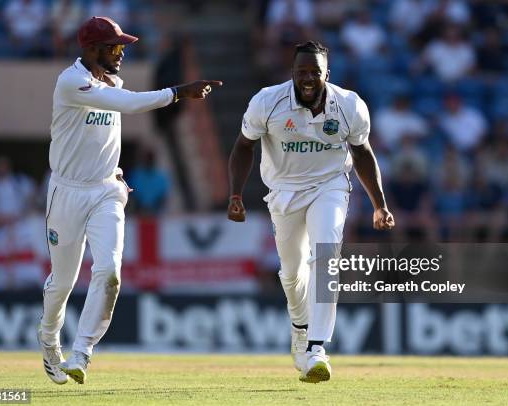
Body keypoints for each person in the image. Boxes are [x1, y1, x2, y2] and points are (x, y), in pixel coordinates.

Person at [38, 16, 221, 385]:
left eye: (122, 46)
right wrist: (178, 92)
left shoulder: (113, 80)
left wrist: (114, 171)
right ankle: (48, 337)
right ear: (91, 49)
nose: (121, 53)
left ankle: (81, 353)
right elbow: (129, 104)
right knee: (63, 282)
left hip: (106, 190)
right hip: (67, 193)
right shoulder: (71, 82)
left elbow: (107, 132)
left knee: (110, 273)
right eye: (114, 47)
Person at [227, 41, 394, 383]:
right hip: (283, 192)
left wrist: (380, 204)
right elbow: (244, 146)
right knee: (290, 274)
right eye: (301, 72)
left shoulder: (349, 104)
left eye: (314, 72)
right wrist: (235, 194)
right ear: (292, 73)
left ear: (326, 74)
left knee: (326, 256)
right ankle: (300, 328)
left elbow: (362, 154)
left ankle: (317, 348)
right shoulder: (267, 101)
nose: (307, 78)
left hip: (329, 186)